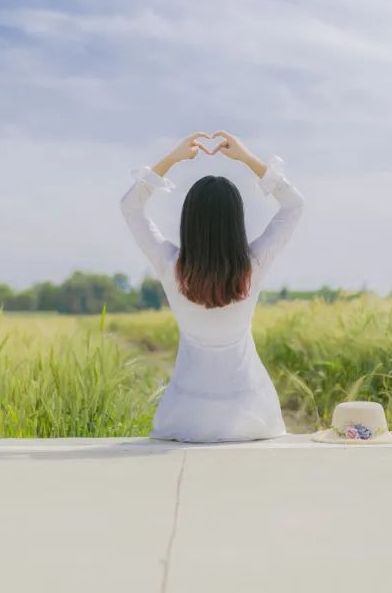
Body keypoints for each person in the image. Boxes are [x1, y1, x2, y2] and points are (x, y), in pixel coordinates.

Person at [119, 130, 305, 442]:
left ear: (188, 221)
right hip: (253, 419)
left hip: (185, 419)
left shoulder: (170, 266)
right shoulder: (254, 265)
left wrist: (172, 159)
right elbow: (294, 205)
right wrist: (247, 159)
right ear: (237, 221)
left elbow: (131, 207)